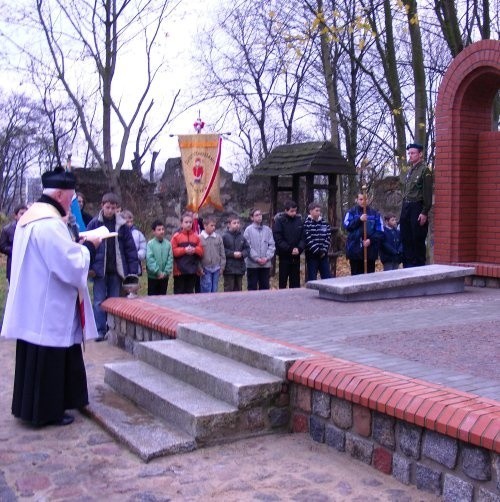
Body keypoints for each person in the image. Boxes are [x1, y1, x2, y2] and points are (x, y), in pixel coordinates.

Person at [1, 167, 101, 427]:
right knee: (49, 358)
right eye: (71, 197)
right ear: (58, 194)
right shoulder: (47, 224)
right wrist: (89, 247)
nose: (72, 202)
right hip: (49, 304)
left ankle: (42, 405)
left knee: (41, 357)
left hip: (38, 301)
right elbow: (69, 265)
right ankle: (46, 411)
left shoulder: (31, 220)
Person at [86, 192, 139, 341]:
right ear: (102, 206)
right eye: (107, 207)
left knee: (114, 300)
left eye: (113, 208)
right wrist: (89, 266)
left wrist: (132, 271)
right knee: (99, 301)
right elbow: (88, 246)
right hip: (99, 271)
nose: (110, 210)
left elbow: (130, 249)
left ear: (117, 209)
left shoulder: (122, 226)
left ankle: (112, 329)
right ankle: (100, 330)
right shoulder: (94, 223)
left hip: (116, 270)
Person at [399, 143, 433, 268]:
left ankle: (418, 268)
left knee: (417, 239)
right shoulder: (410, 171)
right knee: (405, 237)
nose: (410, 155)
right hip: (406, 206)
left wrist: (424, 211)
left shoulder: (425, 170)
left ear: (420, 154)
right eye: (409, 153)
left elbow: (427, 193)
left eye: (413, 153)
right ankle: (408, 267)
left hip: (417, 207)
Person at [344, 193, 384, 275]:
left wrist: (370, 240)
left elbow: (380, 231)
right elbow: (347, 225)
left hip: (370, 252)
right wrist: (359, 219)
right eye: (361, 199)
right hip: (355, 251)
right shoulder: (351, 212)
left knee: (369, 277)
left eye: (365, 199)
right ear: (357, 200)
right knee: (356, 277)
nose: (363, 201)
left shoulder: (375, 214)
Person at [273, 200, 304, 289]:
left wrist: (299, 248)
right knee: (283, 281)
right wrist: (290, 249)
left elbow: (303, 237)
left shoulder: (299, 221)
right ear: (286, 211)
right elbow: (278, 238)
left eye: (295, 211)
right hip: (284, 255)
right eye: (291, 211)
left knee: (295, 282)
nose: (294, 213)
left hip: (296, 255)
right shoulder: (279, 221)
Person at [171, 212, 203, 294]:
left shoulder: (196, 237)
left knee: (190, 293)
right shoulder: (176, 236)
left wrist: (194, 250)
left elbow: (201, 251)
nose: (189, 224)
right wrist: (184, 250)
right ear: (181, 223)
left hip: (192, 270)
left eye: (190, 222)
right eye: (186, 222)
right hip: (179, 271)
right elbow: (173, 251)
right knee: (179, 293)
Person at [243, 208, 275, 290]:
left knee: (264, 287)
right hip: (252, 265)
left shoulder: (267, 230)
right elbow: (247, 246)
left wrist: (266, 257)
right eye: (256, 215)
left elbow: (271, 245)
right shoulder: (248, 230)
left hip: (265, 264)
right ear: (252, 218)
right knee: (252, 287)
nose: (259, 217)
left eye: (260, 215)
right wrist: (256, 258)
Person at [303, 202, 332, 282]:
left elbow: (328, 236)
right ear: (310, 211)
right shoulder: (306, 223)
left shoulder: (324, 223)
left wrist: (324, 250)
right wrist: (317, 251)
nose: (318, 212)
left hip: (323, 255)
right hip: (312, 255)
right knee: (312, 278)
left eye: (319, 211)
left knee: (327, 277)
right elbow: (308, 238)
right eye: (316, 210)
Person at [0, 203, 28, 282]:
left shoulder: (32, 228)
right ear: (15, 216)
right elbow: (2, 247)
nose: (24, 216)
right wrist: (16, 250)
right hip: (13, 264)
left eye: (26, 213)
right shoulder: (7, 229)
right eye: (22, 213)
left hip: (28, 265)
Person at [222, 214, 250, 292]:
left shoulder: (242, 237)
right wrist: (232, 254)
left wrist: (242, 254)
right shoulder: (224, 236)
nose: (237, 225)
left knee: (239, 290)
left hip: (239, 268)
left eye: (238, 223)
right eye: (234, 223)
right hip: (229, 268)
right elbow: (222, 250)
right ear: (229, 225)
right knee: (229, 290)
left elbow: (247, 249)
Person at [146, 219, 173, 295]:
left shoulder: (168, 244)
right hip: (153, 277)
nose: (161, 231)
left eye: (163, 229)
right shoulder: (150, 244)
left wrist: (165, 272)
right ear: (154, 231)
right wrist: (157, 272)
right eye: (159, 230)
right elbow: (150, 259)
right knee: (152, 298)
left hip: (164, 277)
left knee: (162, 297)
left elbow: (170, 259)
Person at [199, 215, 225, 293]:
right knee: (206, 287)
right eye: (211, 225)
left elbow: (222, 253)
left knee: (215, 288)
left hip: (216, 268)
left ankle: (214, 304)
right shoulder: (199, 238)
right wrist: (199, 268)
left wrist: (222, 267)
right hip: (205, 268)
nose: (214, 227)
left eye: (214, 226)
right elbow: (197, 256)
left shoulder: (218, 237)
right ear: (205, 226)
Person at [122, 210, 147, 275]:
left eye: (131, 221)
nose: (130, 224)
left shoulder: (138, 234)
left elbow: (143, 248)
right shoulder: (119, 233)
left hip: (135, 263)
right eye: (127, 222)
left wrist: (136, 255)